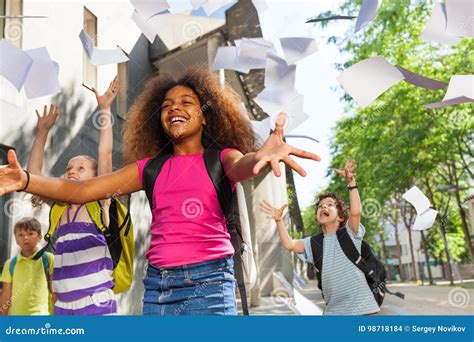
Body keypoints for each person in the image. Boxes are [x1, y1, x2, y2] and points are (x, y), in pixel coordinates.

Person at [0, 67, 320, 315]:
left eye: (186, 102)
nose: (173, 108)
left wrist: (261, 157)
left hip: (209, 285)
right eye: (166, 105)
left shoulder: (221, 159)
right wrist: (25, 179)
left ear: (205, 117)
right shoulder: (149, 168)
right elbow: (82, 190)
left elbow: (244, 165)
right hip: (157, 287)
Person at [26, 78, 121, 315]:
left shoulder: (98, 200)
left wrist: (105, 109)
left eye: (81, 168)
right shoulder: (58, 205)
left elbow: (105, 153)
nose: (71, 171)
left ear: (95, 176)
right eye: (69, 168)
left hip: (96, 302)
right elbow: (34, 177)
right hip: (63, 305)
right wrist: (42, 132)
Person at [260, 159, 380, 315]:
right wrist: (279, 221)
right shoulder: (313, 242)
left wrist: (351, 182)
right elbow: (289, 244)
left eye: (330, 204)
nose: (323, 206)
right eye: (320, 206)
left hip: (365, 310)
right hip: (334, 312)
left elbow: (356, 212)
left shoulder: (350, 233)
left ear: (341, 217)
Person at [0, 217, 54, 315]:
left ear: (39, 237)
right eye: (20, 235)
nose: (25, 238)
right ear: (16, 239)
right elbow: (5, 295)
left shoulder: (48, 259)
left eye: (30, 234)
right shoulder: (10, 264)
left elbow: (55, 291)